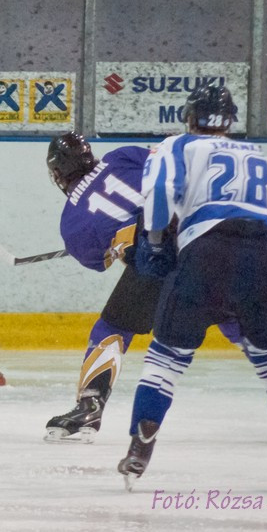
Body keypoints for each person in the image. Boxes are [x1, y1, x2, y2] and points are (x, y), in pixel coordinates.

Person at [118, 85, 267, 492]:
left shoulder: (177, 146)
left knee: (168, 354)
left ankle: (140, 446)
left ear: (190, 117)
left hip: (209, 250)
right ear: (229, 121)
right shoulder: (265, 161)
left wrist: (155, 243)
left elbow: (157, 193)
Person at [42, 132, 174, 443]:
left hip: (156, 261)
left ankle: (90, 404)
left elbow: (99, 262)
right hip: (198, 237)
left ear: (58, 174)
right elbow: (169, 173)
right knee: (232, 314)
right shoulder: (123, 155)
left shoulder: (72, 223)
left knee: (112, 329)